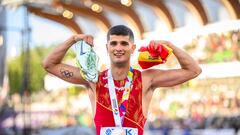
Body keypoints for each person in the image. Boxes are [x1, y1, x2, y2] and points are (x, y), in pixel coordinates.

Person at [42, 25, 202, 135]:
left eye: (124, 43)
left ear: (132, 48)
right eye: (114, 43)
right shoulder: (93, 79)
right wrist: (74, 39)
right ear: (107, 48)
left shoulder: (147, 79)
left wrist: (169, 45)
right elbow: (49, 64)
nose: (119, 48)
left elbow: (194, 70)